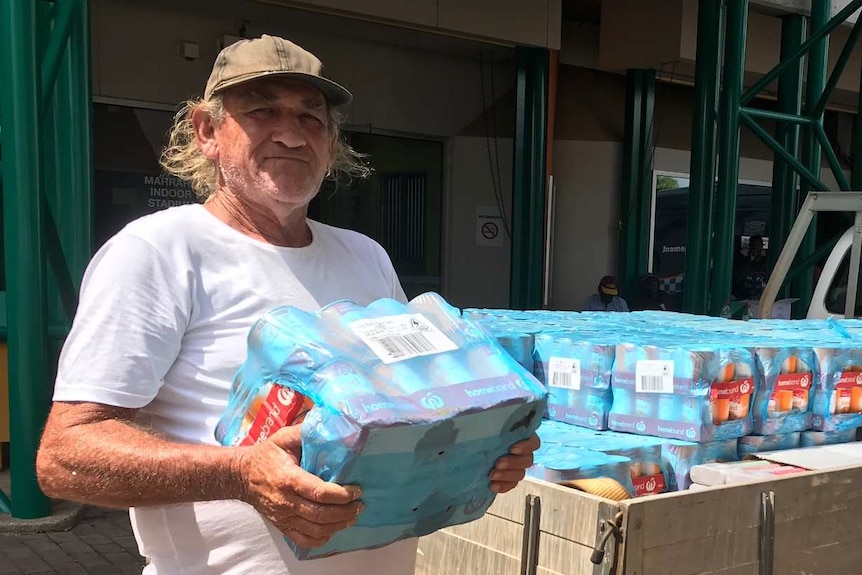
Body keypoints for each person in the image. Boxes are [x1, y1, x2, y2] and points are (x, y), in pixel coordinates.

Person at [35, 35, 539, 575]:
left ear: (331, 140)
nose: (291, 135)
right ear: (208, 132)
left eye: (311, 119)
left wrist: (482, 453)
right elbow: (66, 455)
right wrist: (240, 474)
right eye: (262, 111)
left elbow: (411, 409)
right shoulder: (159, 252)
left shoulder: (365, 256)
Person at [733, 235, 768, 300]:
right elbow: (738, 279)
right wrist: (749, 260)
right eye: (753, 245)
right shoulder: (743, 261)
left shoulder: (765, 262)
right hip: (744, 296)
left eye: (757, 245)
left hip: (760, 296)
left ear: (762, 247)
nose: (755, 248)